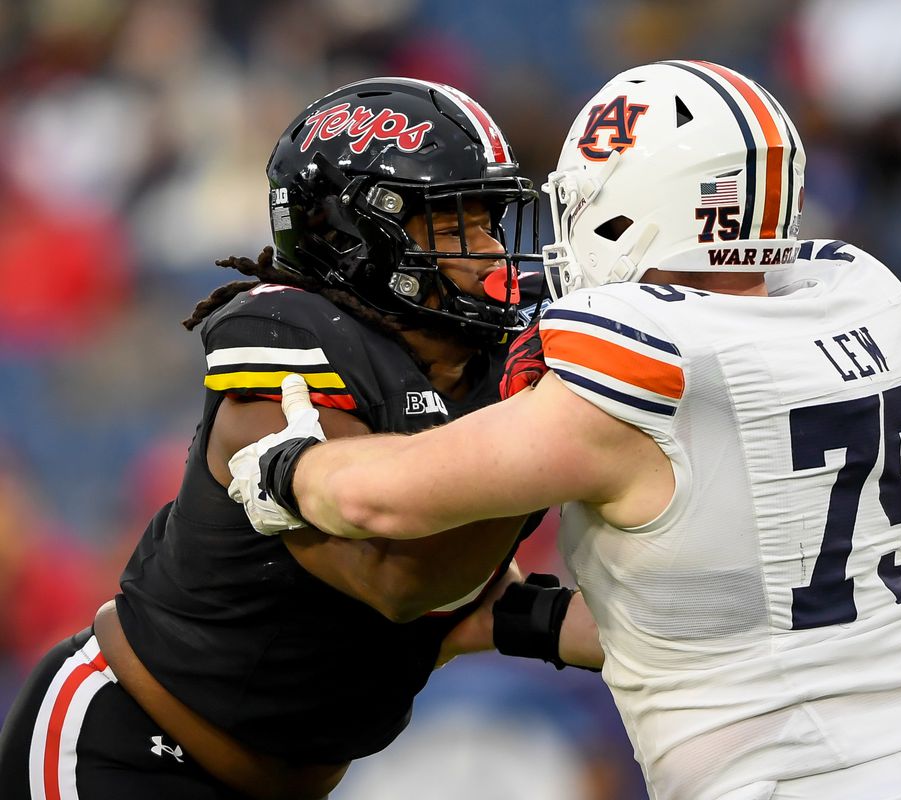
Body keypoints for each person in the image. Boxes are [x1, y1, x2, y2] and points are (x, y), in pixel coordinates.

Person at [231, 61, 901, 800]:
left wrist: (287, 468)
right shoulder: (848, 296)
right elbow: (712, 626)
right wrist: (518, 621)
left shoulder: (645, 371)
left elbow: (387, 501)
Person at [0, 77, 545, 800]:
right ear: (356, 235)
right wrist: (541, 427)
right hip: (124, 750)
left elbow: (462, 590)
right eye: (455, 226)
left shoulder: (479, 378)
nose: (487, 253)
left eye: (489, 223)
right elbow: (398, 578)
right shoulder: (291, 341)